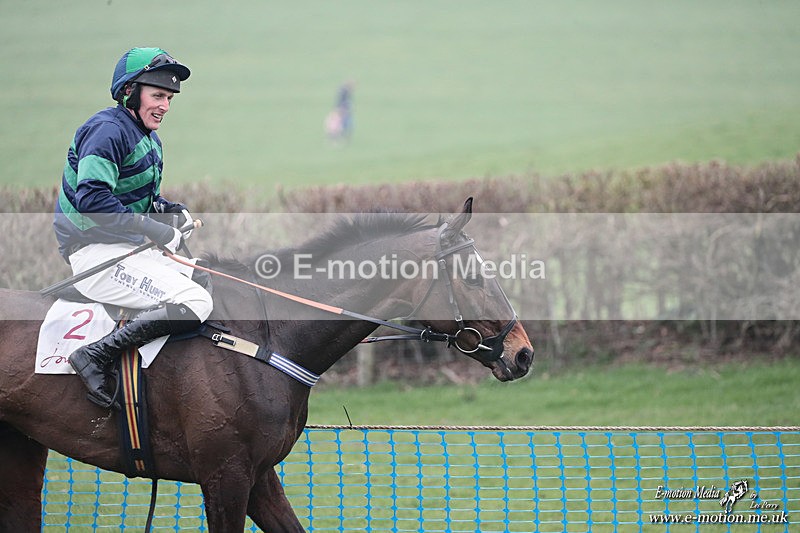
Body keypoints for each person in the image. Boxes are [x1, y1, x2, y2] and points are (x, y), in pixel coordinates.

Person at [53, 47, 213, 408]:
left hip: (123, 250)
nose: (165, 106)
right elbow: (92, 200)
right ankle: (93, 355)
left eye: (169, 98)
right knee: (195, 301)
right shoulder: (107, 131)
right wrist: (156, 231)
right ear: (129, 91)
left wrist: (171, 211)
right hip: (94, 256)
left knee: (205, 277)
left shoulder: (147, 137)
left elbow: (139, 201)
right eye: (158, 95)